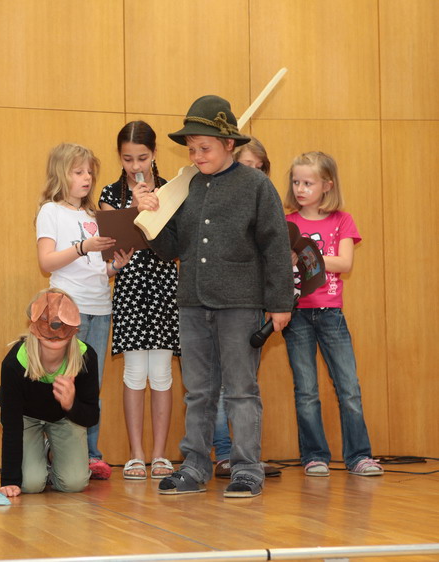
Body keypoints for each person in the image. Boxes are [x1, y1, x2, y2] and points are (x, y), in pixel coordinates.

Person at [137, 95, 294, 497]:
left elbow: (276, 246)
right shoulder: (185, 186)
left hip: (241, 305)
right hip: (192, 303)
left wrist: (280, 303)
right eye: (191, 149)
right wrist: (150, 217)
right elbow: (171, 248)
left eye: (204, 148)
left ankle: (247, 469)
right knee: (199, 392)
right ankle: (194, 466)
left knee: (241, 390)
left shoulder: (256, 185)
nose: (196, 156)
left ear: (229, 144)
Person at [35, 143, 134, 480]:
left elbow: (96, 267)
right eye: (78, 172)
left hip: (99, 307)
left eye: (89, 171)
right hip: (67, 308)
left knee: (91, 386)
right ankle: (56, 454)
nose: (87, 178)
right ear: (61, 174)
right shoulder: (51, 211)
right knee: (63, 381)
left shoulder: (93, 216)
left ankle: (90, 455)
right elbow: (46, 261)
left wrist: (114, 267)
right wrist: (82, 247)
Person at [282, 151, 383, 477]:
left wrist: (306, 255)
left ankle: (359, 456)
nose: (300, 189)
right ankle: (314, 456)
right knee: (306, 391)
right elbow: (279, 264)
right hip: (297, 315)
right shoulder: (288, 223)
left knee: (348, 388)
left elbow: (345, 262)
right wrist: (294, 258)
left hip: (330, 314)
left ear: (327, 185)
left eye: (308, 183)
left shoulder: (342, 220)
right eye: (296, 182)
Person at [98, 121, 180, 480]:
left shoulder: (171, 191)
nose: (135, 166)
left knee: (161, 373)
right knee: (133, 371)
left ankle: (160, 455)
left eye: (142, 158)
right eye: (128, 159)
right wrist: (134, 207)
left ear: (154, 154)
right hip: (131, 287)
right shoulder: (110, 193)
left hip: (163, 285)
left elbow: (176, 241)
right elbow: (113, 244)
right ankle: (136, 455)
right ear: (119, 157)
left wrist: (156, 206)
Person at [211, 137, 280, 479]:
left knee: (245, 385)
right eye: (247, 166)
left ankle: (247, 455)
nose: (253, 173)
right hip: (220, 303)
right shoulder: (220, 201)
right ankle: (224, 453)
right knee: (219, 387)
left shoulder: (265, 200)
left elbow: (272, 251)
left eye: (259, 167)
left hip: (251, 305)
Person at [0, 289, 101, 497]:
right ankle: (39, 450)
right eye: (46, 320)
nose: (55, 328)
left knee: (74, 483)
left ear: (75, 325)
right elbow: (12, 424)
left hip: (65, 418)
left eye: (62, 321)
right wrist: (10, 481)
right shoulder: (15, 362)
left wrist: (71, 404)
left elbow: (91, 417)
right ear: (34, 325)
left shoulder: (86, 357)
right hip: (25, 419)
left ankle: (52, 453)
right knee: (30, 484)